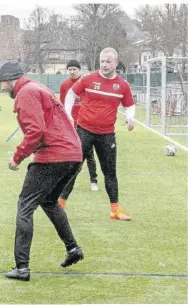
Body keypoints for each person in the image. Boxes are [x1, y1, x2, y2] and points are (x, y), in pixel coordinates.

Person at [0, 59, 83, 282]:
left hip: (55, 155)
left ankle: (22, 267)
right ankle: (73, 249)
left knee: (25, 206)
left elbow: (36, 131)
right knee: (49, 202)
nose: (1, 88)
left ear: (10, 80)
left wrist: (17, 157)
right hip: (73, 155)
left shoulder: (26, 93)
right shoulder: (37, 88)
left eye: (2, 83)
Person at [59, 48, 135, 221]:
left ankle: (115, 210)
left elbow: (129, 104)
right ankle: (60, 204)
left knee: (110, 172)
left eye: (108, 61)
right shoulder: (88, 79)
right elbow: (71, 94)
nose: (105, 64)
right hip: (84, 131)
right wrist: (68, 114)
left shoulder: (122, 85)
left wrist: (131, 118)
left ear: (116, 63)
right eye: (102, 61)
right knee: (73, 168)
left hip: (107, 135)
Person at [59, 60, 99, 198]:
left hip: (85, 123)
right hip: (70, 124)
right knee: (70, 153)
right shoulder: (64, 85)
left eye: (74, 69)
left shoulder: (86, 83)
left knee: (88, 153)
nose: (72, 71)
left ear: (79, 70)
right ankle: (67, 181)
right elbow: (62, 104)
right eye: (69, 69)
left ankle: (93, 180)